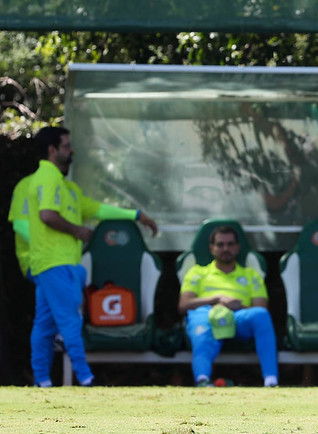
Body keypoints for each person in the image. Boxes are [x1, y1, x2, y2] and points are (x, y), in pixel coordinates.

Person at [27, 126, 158, 387]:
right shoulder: (47, 177)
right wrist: (78, 230)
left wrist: (135, 215)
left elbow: (97, 209)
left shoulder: (67, 187)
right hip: (55, 262)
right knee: (70, 319)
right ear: (51, 150)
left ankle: (41, 380)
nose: (71, 149)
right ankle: (86, 378)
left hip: (58, 263)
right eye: (66, 145)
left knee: (45, 324)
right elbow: (47, 216)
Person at [178, 225, 279, 387]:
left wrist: (235, 307)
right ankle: (202, 380)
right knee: (198, 319)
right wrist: (216, 299)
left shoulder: (251, 275)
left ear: (238, 247)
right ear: (212, 248)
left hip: (239, 316)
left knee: (261, 315)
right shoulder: (197, 272)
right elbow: (184, 305)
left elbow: (261, 307)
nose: (226, 248)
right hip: (207, 315)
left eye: (230, 244)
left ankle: (271, 381)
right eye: (220, 244)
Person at [8, 172, 35, 279]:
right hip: (36, 260)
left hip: (64, 260)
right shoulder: (27, 185)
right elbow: (20, 225)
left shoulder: (67, 186)